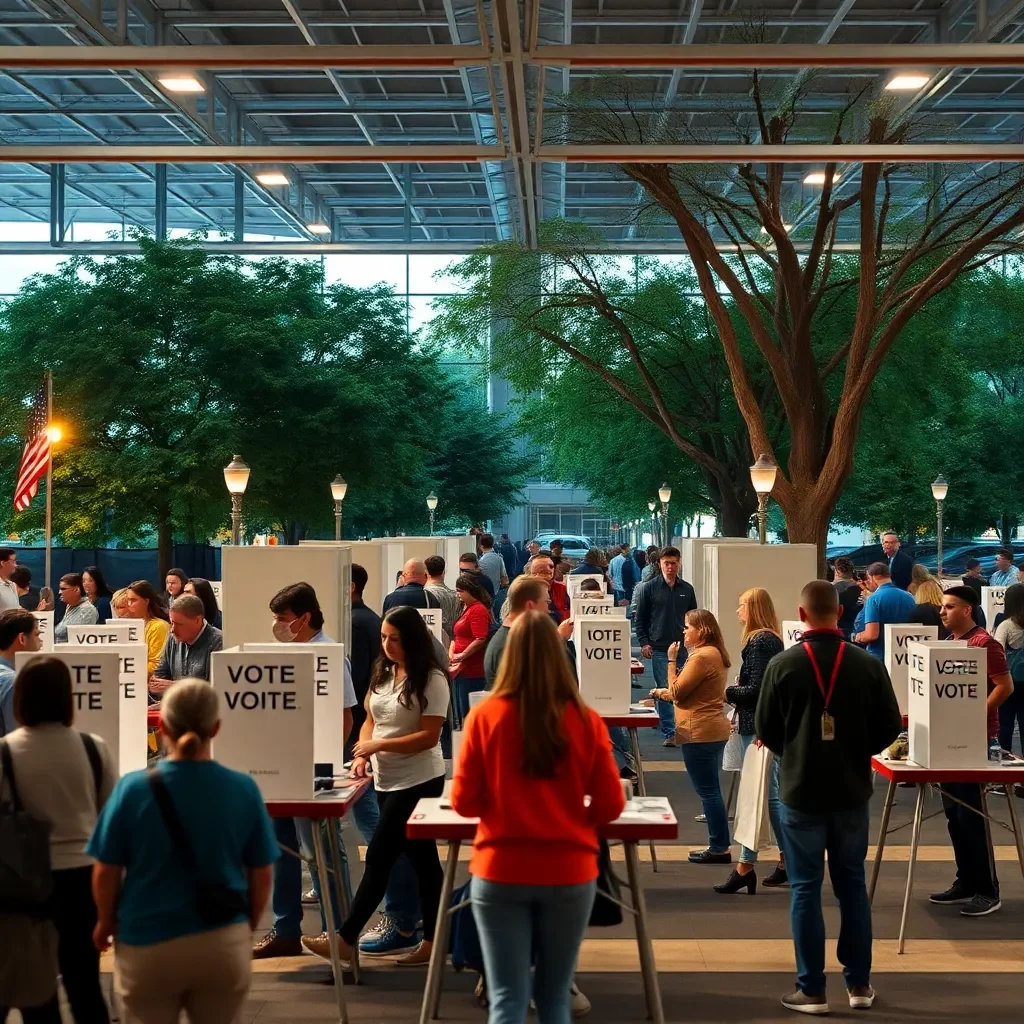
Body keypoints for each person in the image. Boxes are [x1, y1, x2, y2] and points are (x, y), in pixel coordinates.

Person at [452, 611, 625, 1023]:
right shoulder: (586, 721)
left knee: (507, 998)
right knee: (553, 999)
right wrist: (571, 817)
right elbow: (610, 805)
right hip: (570, 869)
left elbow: (463, 802)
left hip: (500, 868)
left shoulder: (485, 717)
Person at [88, 680, 277, 1024]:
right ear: (216, 728)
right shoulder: (243, 789)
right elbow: (262, 873)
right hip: (221, 939)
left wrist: (105, 921)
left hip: (146, 940)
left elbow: (106, 869)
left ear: (161, 726)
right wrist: (244, 925)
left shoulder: (132, 789)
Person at [756, 580, 902, 1015]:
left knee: (804, 889)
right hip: (852, 789)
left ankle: (812, 989)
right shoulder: (866, 664)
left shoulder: (783, 664)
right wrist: (856, 749)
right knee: (852, 887)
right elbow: (889, 726)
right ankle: (859, 985)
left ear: (801, 616)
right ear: (840, 614)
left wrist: (798, 748)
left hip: (800, 790)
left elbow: (766, 730)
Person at [311, 606, 448, 969]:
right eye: (384, 637)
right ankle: (435, 940)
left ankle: (345, 937)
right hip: (385, 777)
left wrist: (378, 747)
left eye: (396, 639)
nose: (387, 645)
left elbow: (428, 737)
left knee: (379, 857)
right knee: (424, 863)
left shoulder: (432, 679)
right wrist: (363, 753)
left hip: (420, 779)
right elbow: (370, 719)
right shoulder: (383, 671)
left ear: (413, 640)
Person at [0, 656, 117, 1024]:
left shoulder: (5, 751)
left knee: (34, 984)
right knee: (85, 983)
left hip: (24, 883)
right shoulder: (92, 747)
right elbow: (109, 819)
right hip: (84, 879)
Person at [931, 586, 1014, 918]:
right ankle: (965, 880)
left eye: (949, 607)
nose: (942, 612)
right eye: (942, 606)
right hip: (948, 740)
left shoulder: (985, 644)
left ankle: (986, 889)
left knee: (971, 816)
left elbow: (1004, 687)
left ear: (966, 610)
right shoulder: (949, 644)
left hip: (975, 740)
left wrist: (975, 713)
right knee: (954, 816)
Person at [649, 609, 731, 863]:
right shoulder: (713, 654)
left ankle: (719, 847)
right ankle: (719, 844)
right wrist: (660, 692)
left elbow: (677, 691)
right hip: (710, 728)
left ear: (702, 631)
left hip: (699, 730)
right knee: (711, 789)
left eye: (688, 627)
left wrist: (672, 661)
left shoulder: (701, 657)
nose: (684, 632)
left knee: (708, 792)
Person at [718, 588, 785, 893]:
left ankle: (753, 864)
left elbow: (757, 692)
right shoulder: (768, 640)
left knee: (763, 796)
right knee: (762, 796)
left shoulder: (759, 642)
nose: (738, 611)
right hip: (763, 726)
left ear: (754, 609)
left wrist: (730, 693)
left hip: (758, 728)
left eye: (742, 605)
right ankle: (757, 863)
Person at [635, 546, 698, 745]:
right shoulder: (650, 588)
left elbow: (693, 617)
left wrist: (695, 642)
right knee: (665, 688)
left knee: (683, 688)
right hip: (660, 646)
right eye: (666, 563)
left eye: (673, 563)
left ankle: (684, 727)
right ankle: (670, 732)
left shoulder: (687, 589)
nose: (670, 567)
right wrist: (644, 642)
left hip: (683, 646)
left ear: (679, 564)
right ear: (660, 564)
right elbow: (641, 618)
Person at [149, 594, 224, 696]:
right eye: (172, 623)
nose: (173, 630)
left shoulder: (219, 642)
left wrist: (176, 687)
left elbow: (218, 689)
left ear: (198, 620)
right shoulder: (172, 638)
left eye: (179, 624)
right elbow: (157, 680)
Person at [450, 574, 493, 724]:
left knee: (468, 715)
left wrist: (462, 655)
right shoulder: (467, 608)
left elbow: (480, 638)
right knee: (461, 714)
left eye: (460, 591)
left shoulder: (478, 610)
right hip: (460, 668)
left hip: (471, 669)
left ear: (469, 590)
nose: (458, 595)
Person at [852, 562, 916, 660]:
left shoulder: (874, 599)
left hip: (879, 656)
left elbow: (871, 635)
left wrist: (858, 636)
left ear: (872, 577)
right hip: (903, 657)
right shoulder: (910, 597)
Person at [350, 563, 382, 739]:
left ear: (351, 587)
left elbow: (357, 673)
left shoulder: (354, 622)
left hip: (359, 709)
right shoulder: (371, 617)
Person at [0, 608, 43, 736]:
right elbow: (18, 740)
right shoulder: (13, 683)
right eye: (37, 635)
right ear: (22, 639)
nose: (41, 643)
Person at [994, 583, 1024, 759]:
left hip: (1009, 682)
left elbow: (998, 652)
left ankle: (1003, 763)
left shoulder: (1006, 625)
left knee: (1005, 724)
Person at [124, 581, 171, 676]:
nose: (129, 604)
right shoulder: (134, 624)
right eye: (128, 600)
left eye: (133, 600)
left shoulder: (159, 626)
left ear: (146, 601)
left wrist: (127, 674)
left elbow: (156, 664)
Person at [54, 572, 100, 642]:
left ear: (76, 590)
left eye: (63, 589)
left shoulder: (88, 611)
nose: (59, 592)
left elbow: (77, 640)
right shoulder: (69, 606)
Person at [424, 555, 461, 640]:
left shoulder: (425, 595)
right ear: (443, 572)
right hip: (453, 642)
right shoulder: (456, 596)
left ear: (426, 573)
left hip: (433, 641)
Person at [528, 553, 570, 624]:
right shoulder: (525, 590)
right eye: (541, 569)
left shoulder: (562, 588)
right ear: (532, 572)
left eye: (551, 567)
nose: (549, 570)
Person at [831, 557, 861, 639]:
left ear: (837, 572)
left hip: (836, 633)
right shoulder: (862, 589)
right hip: (858, 634)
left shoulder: (830, 591)